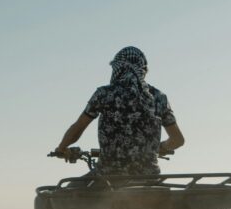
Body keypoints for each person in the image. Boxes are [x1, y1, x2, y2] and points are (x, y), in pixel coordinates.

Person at [54, 46, 185, 176]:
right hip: (149, 176)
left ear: (118, 68)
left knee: (64, 191)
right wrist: (160, 148)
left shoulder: (104, 94)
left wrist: (62, 148)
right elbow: (177, 140)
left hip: (108, 176)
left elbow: (78, 128)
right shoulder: (158, 97)